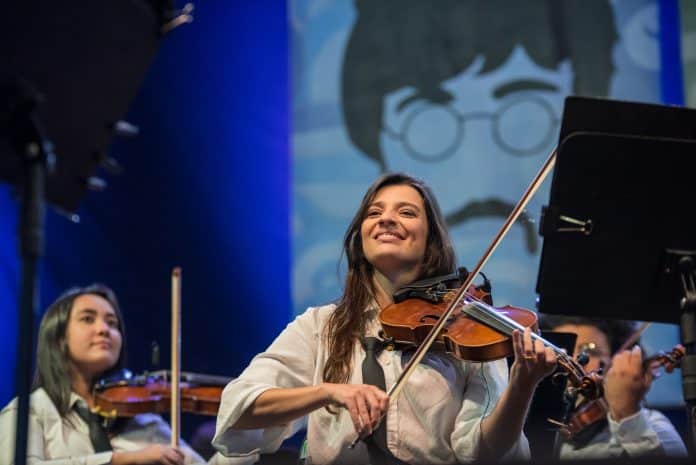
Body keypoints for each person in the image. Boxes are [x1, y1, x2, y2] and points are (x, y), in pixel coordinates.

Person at [213, 173, 557, 464]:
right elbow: (239, 409)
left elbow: (484, 451)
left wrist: (522, 387)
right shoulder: (321, 326)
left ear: (430, 239)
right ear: (361, 236)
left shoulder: (466, 329)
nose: (386, 219)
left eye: (406, 212)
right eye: (374, 212)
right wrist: (326, 392)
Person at [0, 284, 206, 465]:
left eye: (112, 323)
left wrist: (235, 433)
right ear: (58, 338)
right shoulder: (28, 413)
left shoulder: (144, 420)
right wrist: (122, 459)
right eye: (88, 319)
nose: (103, 329)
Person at [540, 315, 688, 459]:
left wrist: (627, 413)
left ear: (615, 362)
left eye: (589, 350)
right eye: (562, 352)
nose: (574, 362)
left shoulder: (655, 426)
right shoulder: (535, 423)